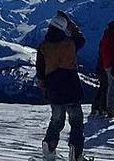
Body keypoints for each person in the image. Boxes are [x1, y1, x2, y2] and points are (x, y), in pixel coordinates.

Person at [35, 11, 86, 161]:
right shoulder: (70, 43)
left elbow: (40, 71)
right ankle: (76, 153)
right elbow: (81, 39)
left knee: (56, 119)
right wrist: (70, 23)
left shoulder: (43, 47)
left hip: (53, 88)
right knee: (76, 122)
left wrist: (44, 87)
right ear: (64, 28)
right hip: (71, 86)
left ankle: (49, 147)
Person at [99, 19, 114, 116]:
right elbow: (109, 53)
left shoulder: (107, 37)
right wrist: (113, 64)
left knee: (112, 87)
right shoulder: (110, 38)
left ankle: (111, 109)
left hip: (108, 65)